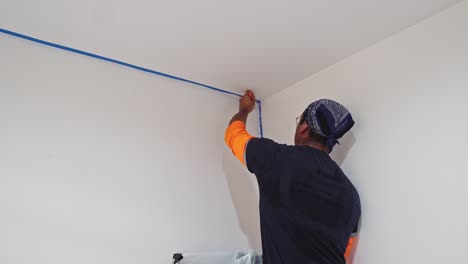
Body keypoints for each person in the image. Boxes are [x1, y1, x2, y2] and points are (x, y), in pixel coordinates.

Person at [225, 91, 361, 264]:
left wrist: (244, 110)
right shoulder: (351, 195)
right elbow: (346, 255)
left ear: (304, 128)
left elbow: (233, 135)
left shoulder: (276, 158)